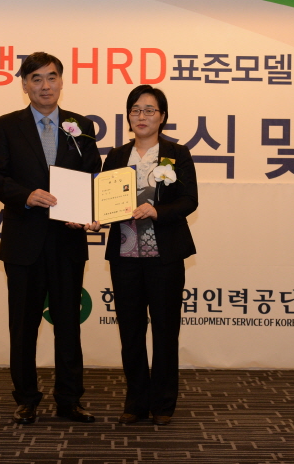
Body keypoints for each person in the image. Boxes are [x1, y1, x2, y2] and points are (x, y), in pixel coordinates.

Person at [0, 52, 102, 424]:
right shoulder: (7, 125)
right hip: (24, 241)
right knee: (23, 326)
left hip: (68, 240)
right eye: (36, 79)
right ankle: (26, 399)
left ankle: (69, 399)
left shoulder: (81, 125)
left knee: (68, 324)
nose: (45, 86)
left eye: (51, 77)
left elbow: (93, 173)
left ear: (61, 81)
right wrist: (25, 195)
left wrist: (87, 211)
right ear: (24, 85)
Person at [101, 85, 198, 426]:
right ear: (128, 116)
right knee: (130, 331)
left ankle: (163, 403)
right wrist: (96, 216)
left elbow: (189, 200)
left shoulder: (176, 153)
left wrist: (157, 211)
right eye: (135, 110)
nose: (141, 116)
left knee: (165, 330)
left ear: (162, 116)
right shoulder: (116, 156)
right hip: (125, 255)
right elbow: (105, 200)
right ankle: (136, 401)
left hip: (164, 256)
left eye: (149, 110)